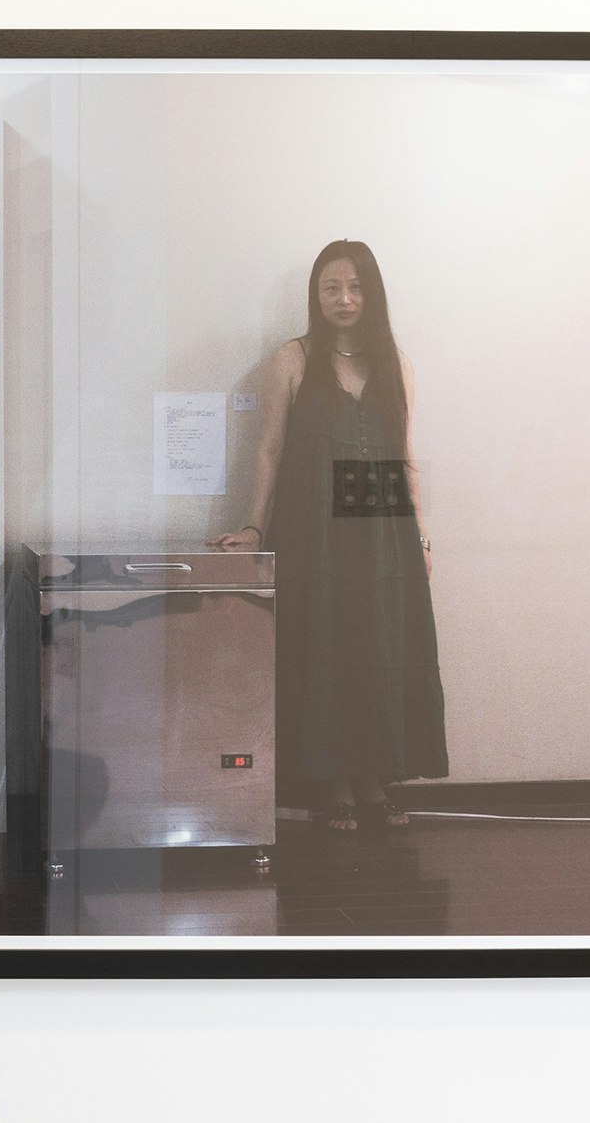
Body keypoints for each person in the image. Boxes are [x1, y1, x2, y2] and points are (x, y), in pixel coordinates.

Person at [209, 240, 448, 831]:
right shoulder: (293, 358)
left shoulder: (397, 364)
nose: (344, 299)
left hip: (382, 530)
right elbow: (267, 450)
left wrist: (419, 538)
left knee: (379, 652)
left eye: (356, 287)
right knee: (327, 650)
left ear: (373, 293)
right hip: (315, 529)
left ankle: (373, 778)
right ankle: (334, 784)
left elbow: (406, 458)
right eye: (331, 288)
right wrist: (252, 525)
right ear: (315, 296)